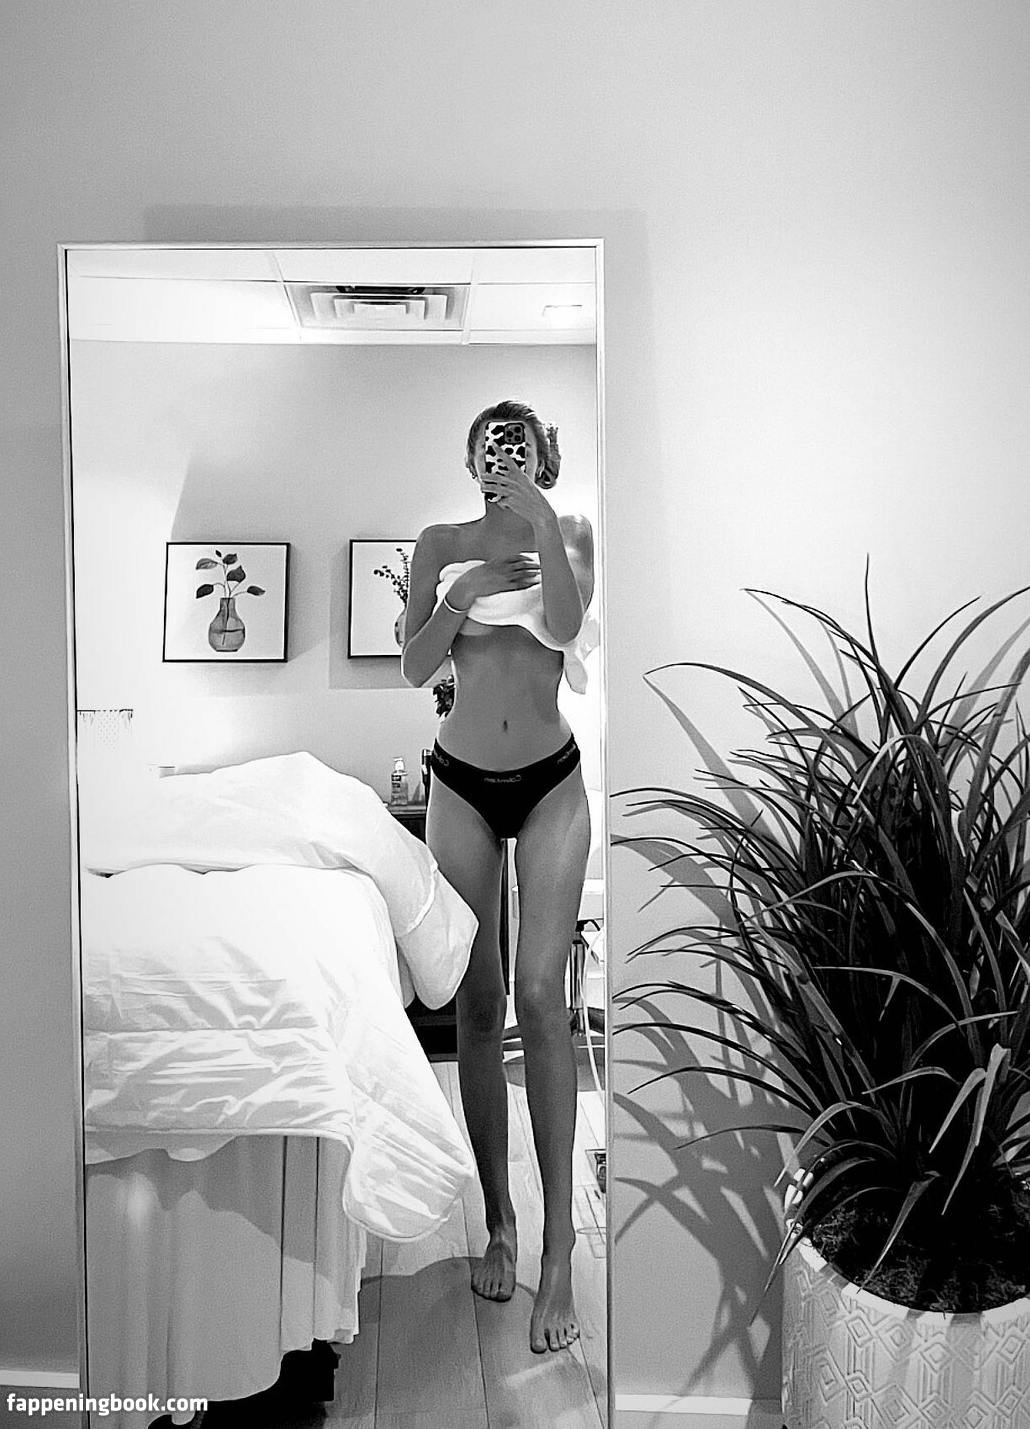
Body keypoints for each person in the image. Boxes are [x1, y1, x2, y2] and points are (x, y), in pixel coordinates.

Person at [400, 400, 596, 1355]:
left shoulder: (573, 532)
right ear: (470, 456)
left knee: (541, 999)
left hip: (552, 783)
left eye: (516, 445)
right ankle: (501, 1223)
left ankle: (560, 1246)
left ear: (540, 458)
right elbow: (414, 666)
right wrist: (463, 587)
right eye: (487, 444)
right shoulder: (439, 544)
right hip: (461, 785)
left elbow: (563, 624)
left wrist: (544, 524)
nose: (499, 455)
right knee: (478, 1006)